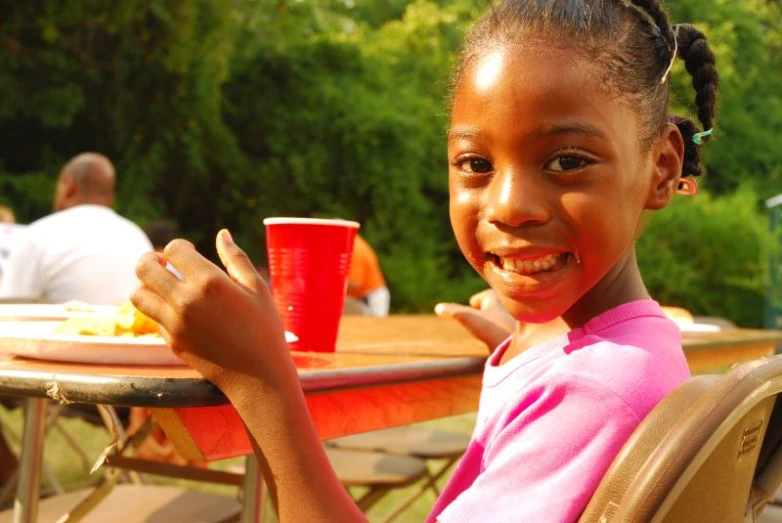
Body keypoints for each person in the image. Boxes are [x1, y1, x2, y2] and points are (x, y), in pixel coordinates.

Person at [131, 0, 719, 520]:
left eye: (567, 162)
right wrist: (533, 350)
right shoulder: (626, 352)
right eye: (475, 164)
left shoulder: (596, 388)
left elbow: (587, 390)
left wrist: (258, 377)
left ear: (663, 168)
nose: (509, 207)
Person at [0, 153, 153, 304]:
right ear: (111, 197)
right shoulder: (138, 238)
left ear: (69, 187)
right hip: (135, 329)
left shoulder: (40, 234)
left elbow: (9, 310)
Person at [347, 234, 390, 317]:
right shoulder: (354, 243)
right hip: (365, 297)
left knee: (376, 327)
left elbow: (355, 283)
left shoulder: (354, 248)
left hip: (371, 298)